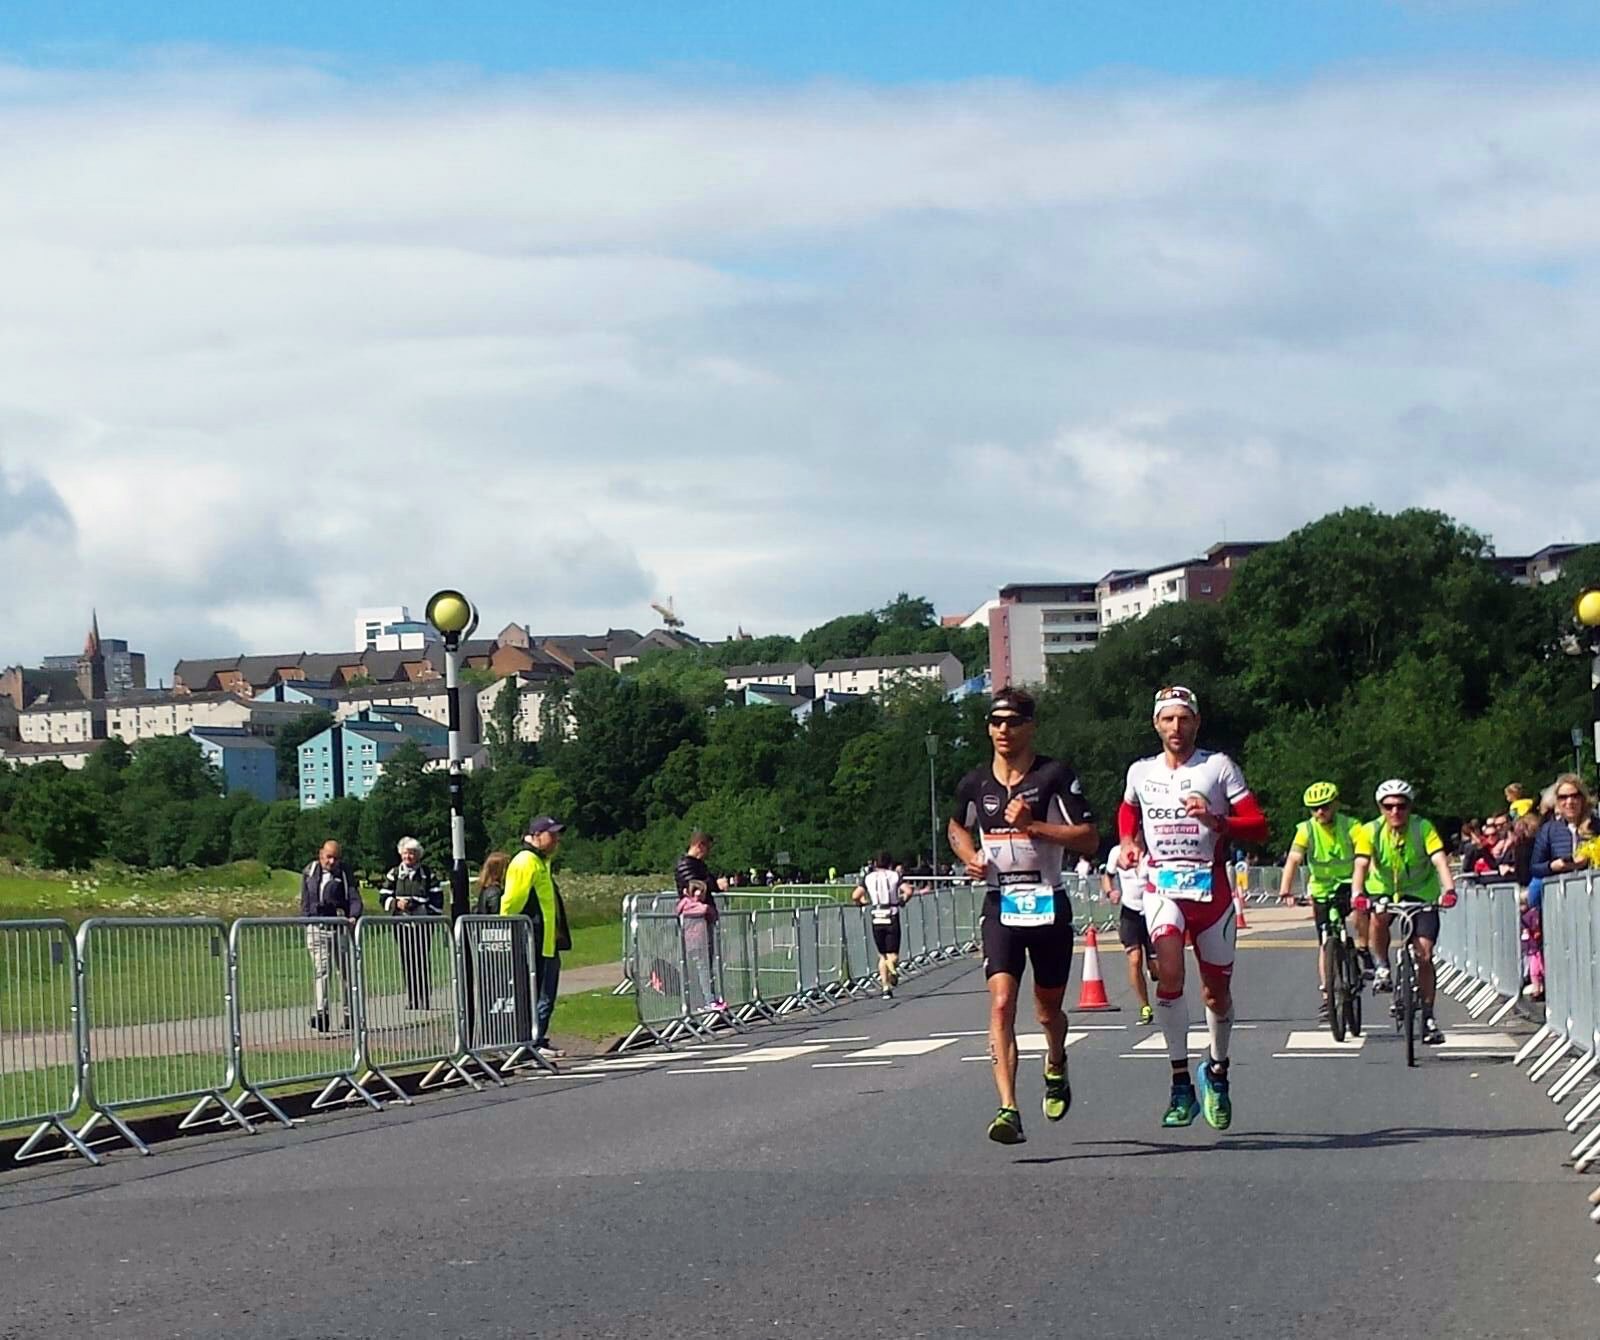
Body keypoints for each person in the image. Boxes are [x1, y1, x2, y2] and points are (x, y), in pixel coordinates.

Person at [947, 686, 1097, 1145]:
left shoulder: (1054, 775)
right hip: (1000, 905)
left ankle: (1056, 1060)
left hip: (1047, 903)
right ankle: (1008, 1108)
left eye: (1013, 721)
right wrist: (970, 854)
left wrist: (1032, 825)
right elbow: (956, 826)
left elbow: (1090, 838)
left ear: (1030, 726)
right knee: (1000, 1004)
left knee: (1047, 1009)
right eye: (995, 722)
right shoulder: (976, 783)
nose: (1003, 730)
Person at [1120, 685, 1268, 1130]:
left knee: (1215, 995)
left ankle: (1217, 1071)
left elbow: (1259, 826)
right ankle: (1180, 1081)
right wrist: (1128, 841)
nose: (1176, 727)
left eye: (1184, 718)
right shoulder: (1141, 772)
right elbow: (1128, 810)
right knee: (1168, 971)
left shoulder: (1217, 767)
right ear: (1156, 724)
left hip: (1212, 892)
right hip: (1162, 888)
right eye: (1167, 719)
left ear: (1196, 722)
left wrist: (1216, 821)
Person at [1352, 779, 1458, 1046]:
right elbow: (1361, 864)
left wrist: (1449, 889)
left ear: (1410, 807)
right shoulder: (1370, 831)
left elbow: (1438, 859)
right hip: (1384, 888)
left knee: (1424, 953)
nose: (1395, 812)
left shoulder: (1423, 828)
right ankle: (1383, 967)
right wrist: (1357, 893)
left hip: (1421, 890)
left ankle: (1429, 1017)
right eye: (1388, 807)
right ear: (1381, 808)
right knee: (1378, 915)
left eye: (1401, 806)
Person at [1278, 782, 1370, 1023]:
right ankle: (1328, 993)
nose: (1320, 813)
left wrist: (1360, 888)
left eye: (1325, 807)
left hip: (1349, 883)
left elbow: (1363, 858)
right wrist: (1285, 889)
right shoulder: (1306, 829)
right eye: (1314, 809)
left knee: (1361, 912)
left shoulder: (1352, 826)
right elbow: (1293, 859)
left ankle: (1362, 948)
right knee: (1324, 941)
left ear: (1335, 805)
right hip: (1321, 888)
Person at [501, 816, 572, 1057]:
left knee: (545, 994)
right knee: (538, 993)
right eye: (551, 835)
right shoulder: (526, 861)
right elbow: (511, 901)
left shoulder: (541, 861)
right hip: (532, 938)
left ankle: (536, 1040)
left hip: (545, 940)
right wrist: (508, 930)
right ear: (536, 836)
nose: (556, 840)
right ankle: (530, 1043)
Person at [299, 840, 362, 1033]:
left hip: (339, 928)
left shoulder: (344, 874)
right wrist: (306, 918)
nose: (332, 861)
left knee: (345, 973)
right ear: (321, 854)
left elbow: (354, 898)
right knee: (321, 970)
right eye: (329, 856)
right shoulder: (309, 871)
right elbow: (304, 900)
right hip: (316, 928)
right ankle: (322, 1014)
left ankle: (350, 1014)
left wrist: (352, 917)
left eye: (335, 857)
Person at [380, 836, 444, 1009]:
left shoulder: (428, 874)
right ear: (401, 854)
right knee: (407, 960)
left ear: (418, 855)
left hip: (422, 926)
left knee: (421, 959)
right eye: (406, 853)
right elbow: (383, 896)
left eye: (412, 853)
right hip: (401, 925)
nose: (408, 857)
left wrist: (421, 907)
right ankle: (412, 998)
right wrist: (396, 904)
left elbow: (438, 900)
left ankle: (424, 997)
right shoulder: (393, 874)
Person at [1102, 853, 1154, 1025]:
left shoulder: (1153, 849)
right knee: (1135, 959)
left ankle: (1154, 971)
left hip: (1153, 910)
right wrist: (1110, 892)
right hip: (1129, 913)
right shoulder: (1117, 852)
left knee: (1158, 968)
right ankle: (1145, 1006)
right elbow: (1107, 877)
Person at [853, 852, 905, 999]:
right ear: (890, 863)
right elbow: (908, 890)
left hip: (876, 916)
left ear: (875, 864)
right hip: (892, 914)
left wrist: (861, 902)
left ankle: (885, 988)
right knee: (893, 955)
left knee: (882, 955)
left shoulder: (868, 878)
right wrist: (903, 900)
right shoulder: (894, 876)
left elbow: (855, 895)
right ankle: (892, 969)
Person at [1530, 773, 1594, 884]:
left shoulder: (1596, 826)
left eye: (1574, 796)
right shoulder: (1548, 830)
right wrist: (1552, 866)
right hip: (1561, 895)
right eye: (1563, 797)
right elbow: (1534, 868)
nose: (1569, 802)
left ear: (1583, 798)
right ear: (1557, 802)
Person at [675, 880, 724, 1011]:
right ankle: (708, 1000)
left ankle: (705, 999)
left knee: (702, 969)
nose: (699, 898)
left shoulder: (695, 905)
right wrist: (707, 909)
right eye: (697, 895)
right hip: (693, 943)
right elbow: (699, 910)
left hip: (700, 942)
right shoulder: (687, 905)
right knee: (701, 970)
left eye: (702, 895)